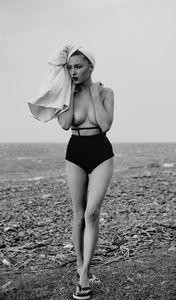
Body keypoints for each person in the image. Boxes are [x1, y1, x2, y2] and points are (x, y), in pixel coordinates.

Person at [57, 49, 114, 299]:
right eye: (69, 68)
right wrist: (69, 94)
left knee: (93, 214)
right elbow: (65, 124)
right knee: (78, 215)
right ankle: (80, 264)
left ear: (91, 66)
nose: (73, 72)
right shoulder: (67, 93)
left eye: (78, 67)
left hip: (101, 151)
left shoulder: (106, 92)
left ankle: (84, 275)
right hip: (76, 151)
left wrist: (93, 94)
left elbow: (106, 124)